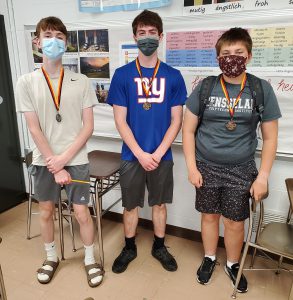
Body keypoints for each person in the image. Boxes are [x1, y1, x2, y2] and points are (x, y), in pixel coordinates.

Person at [182, 27, 281, 293]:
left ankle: (233, 263)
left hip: (241, 169)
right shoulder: (205, 87)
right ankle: (210, 257)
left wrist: (262, 176)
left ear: (248, 55)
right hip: (206, 166)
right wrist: (191, 167)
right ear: (217, 57)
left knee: (235, 221)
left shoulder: (260, 89)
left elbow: (270, 138)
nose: (232, 58)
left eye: (238, 52)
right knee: (209, 216)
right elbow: (188, 130)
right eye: (226, 53)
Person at [16, 16, 104, 287]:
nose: (53, 41)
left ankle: (90, 259)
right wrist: (55, 164)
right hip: (44, 160)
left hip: (75, 159)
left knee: (81, 212)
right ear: (37, 41)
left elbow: (88, 127)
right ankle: (51, 256)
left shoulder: (81, 80)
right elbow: (33, 128)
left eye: (59, 37)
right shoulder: (26, 82)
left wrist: (64, 160)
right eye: (48, 35)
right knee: (45, 212)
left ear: (66, 43)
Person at [107, 9, 187, 273]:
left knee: (159, 203)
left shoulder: (173, 76)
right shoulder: (122, 75)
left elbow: (177, 120)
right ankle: (129, 247)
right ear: (134, 36)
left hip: (161, 155)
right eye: (142, 33)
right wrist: (141, 153)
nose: (147, 37)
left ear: (161, 36)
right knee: (130, 204)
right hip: (132, 155)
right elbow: (120, 121)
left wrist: (158, 151)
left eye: (152, 32)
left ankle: (159, 246)